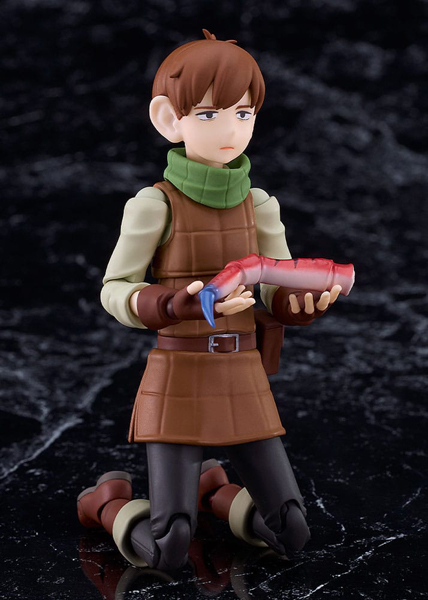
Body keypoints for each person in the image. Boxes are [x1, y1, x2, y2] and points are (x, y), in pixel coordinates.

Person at [77, 29, 342, 572]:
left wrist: (299, 306)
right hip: (180, 373)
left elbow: (277, 287)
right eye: (207, 114)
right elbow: (114, 289)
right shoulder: (154, 205)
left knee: (291, 529)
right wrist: (174, 304)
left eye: (243, 113)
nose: (230, 130)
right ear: (167, 119)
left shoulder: (260, 205)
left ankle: (216, 493)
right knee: (169, 545)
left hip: (242, 372)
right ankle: (106, 504)